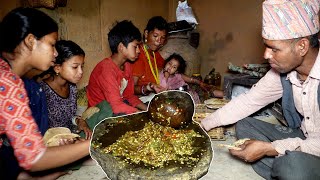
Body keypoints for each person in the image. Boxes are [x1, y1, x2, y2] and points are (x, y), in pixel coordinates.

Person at [201, 0, 320, 179]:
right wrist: (204, 125)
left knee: (292, 167)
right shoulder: (282, 72)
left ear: (302, 46)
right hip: (304, 136)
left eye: (274, 49)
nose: (266, 55)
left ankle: (290, 167)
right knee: (244, 125)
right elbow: (250, 101)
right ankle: (287, 167)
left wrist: (269, 149)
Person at [0, 7, 90, 179]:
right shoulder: (8, 82)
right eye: (52, 44)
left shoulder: (9, 75)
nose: (55, 53)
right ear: (31, 41)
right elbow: (34, 157)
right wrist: (93, 144)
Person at [86, 20, 148, 115]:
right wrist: (142, 114)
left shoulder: (127, 66)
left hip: (116, 106)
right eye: (135, 46)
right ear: (121, 47)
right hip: (100, 114)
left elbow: (129, 96)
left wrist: (148, 109)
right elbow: (116, 107)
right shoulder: (106, 69)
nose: (139, 51)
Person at [39, 40, 92, 139]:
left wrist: (78, 120)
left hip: (69, 135)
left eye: (82, 66)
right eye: (75, 67)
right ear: (57, 68)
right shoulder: (43, 91)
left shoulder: (72, 87)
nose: (81, 72)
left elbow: (67, 117)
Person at [132, 16, 168, 95]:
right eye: (155, 36)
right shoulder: (139, 54)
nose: (159, 41)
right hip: (142, 98)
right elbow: (132, 89)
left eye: (162, 38)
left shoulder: (154, 53)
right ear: (146, 33)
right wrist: (148, 87)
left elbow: (167, 67)